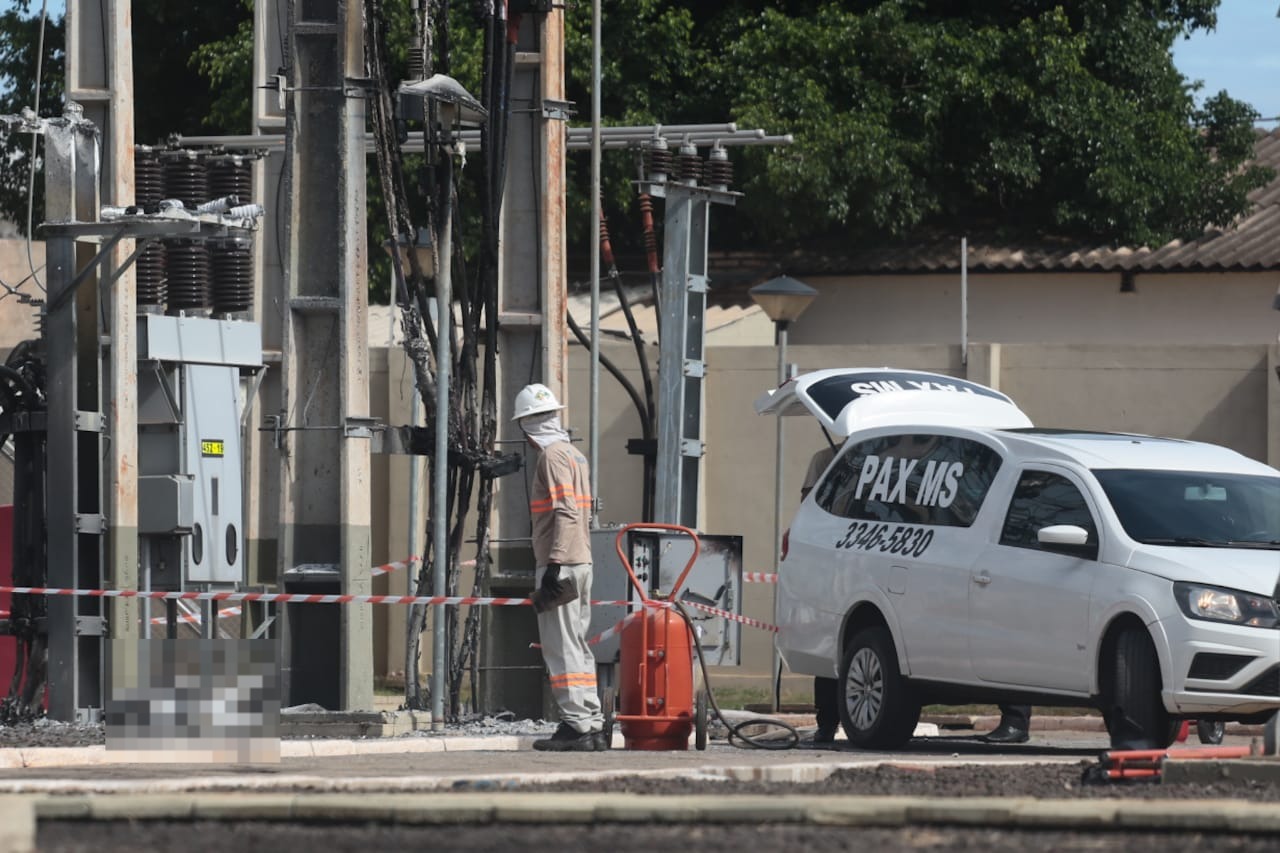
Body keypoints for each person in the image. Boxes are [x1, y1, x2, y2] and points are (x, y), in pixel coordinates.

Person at [514, 383, 608, 752]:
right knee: (578, 644)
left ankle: (577, 725)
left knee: (560, 646)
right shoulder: (574, 454)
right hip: (581, 560)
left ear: (527, 425)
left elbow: (566, 510)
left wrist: (553, 563)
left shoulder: (551, 457)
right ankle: (592, 721)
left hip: (563, 563)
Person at [800, 443, 840, 744]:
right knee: (829, 642)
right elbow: (809, 507)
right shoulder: (826, 458)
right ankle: (827, 720)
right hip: (832, 562)